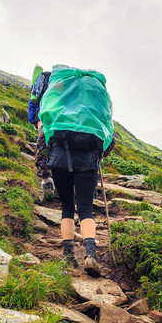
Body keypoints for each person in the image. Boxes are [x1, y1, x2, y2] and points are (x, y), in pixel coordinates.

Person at [29, 64, 115, 277]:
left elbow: (42, 139)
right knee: (85, 208)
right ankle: (91, 254)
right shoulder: (93, 112)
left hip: (59, 158)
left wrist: (44, 173)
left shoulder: (59, 111)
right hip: (88, 159)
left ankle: (68, 254)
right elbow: (110, 140)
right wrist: (98, 155)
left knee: (67, 207)